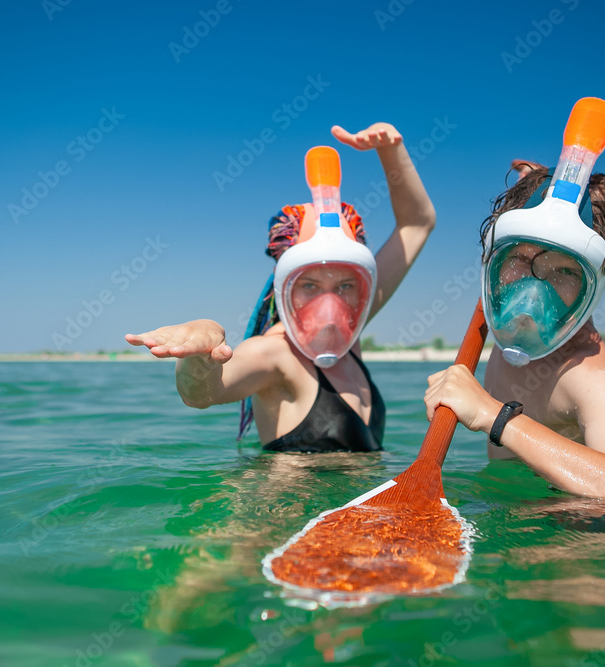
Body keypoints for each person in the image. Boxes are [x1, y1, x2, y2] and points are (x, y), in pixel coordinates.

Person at [125, 122, 435, 452]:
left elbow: (416, 224)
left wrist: (391, 151)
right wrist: (201, 354)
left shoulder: (349, 335)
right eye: (310, 285)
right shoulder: (274, 353)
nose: (330, 304)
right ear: (284, 283)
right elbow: (201, 395)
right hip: (285, 505)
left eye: (345, 285)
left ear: (363, 288)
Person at [423, 155, 605, 500]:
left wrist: (493, 415)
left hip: (577, 527)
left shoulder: (586, 374)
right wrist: (536, 185)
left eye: (565, 272)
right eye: (520, 260)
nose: (533, 291)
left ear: (593, 287)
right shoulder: (508, 329)